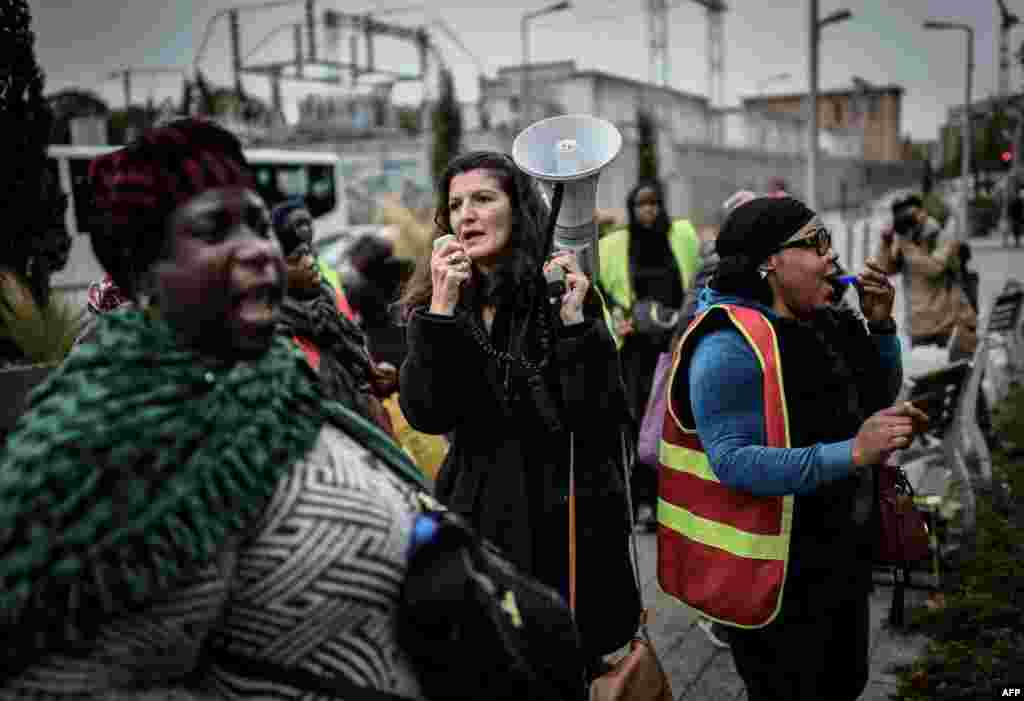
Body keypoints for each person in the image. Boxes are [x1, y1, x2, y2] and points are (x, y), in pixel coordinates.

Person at [0, 118, 430, 698]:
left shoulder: (265, 378)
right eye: (214, 229)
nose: (257, 247)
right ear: (143, 269)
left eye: (257, 222)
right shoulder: (117, 443)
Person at [660, 196, 928, 700]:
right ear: (769, 261)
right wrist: (853, 451)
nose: (831, 257)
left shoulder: (825, 320)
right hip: (774, 577)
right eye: (816, 244)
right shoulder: (727, 341)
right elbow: (735, 462)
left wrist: (882, 327)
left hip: (837, 554)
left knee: (845, 683)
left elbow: (876, 393)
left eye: (830, 243)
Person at [398, 150, 641, 670]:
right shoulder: (442, 302)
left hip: (561, 526)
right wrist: (441, 309)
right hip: (480, 519)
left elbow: (601, 414)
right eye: (456, 204)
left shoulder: (560, 291)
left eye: (484, 199)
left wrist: (576, 326)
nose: (466, 214)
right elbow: (426, 413)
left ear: (519, 210)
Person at [597, 179, 700, 528]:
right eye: (641, 204)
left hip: (674, 345)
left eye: (654, 203)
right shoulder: (615, 245)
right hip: (636, 352)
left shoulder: (681, 237)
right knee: (639, 422)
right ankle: (642, 502)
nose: (649, 210)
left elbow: (696, 281)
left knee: (674, 421)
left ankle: (671, 502)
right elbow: (600, 290)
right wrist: (617, 320)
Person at [270, 197, 397, 438]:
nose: (309, 263)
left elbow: (353, 348)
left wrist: (373, 374)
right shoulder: (279, 335)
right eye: (296, 258)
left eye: (307, 223)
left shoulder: (325, 295)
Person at [876, 194, 977, 358]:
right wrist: (885, 242)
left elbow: (934, 268)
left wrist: (905, 244)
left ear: (922, 213)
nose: (908, 220)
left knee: (958, 377)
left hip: (948, 325)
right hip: (920, 327)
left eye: (911, 215)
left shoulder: (940, 236)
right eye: (902, 216)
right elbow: (883, 271)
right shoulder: (905, 240)